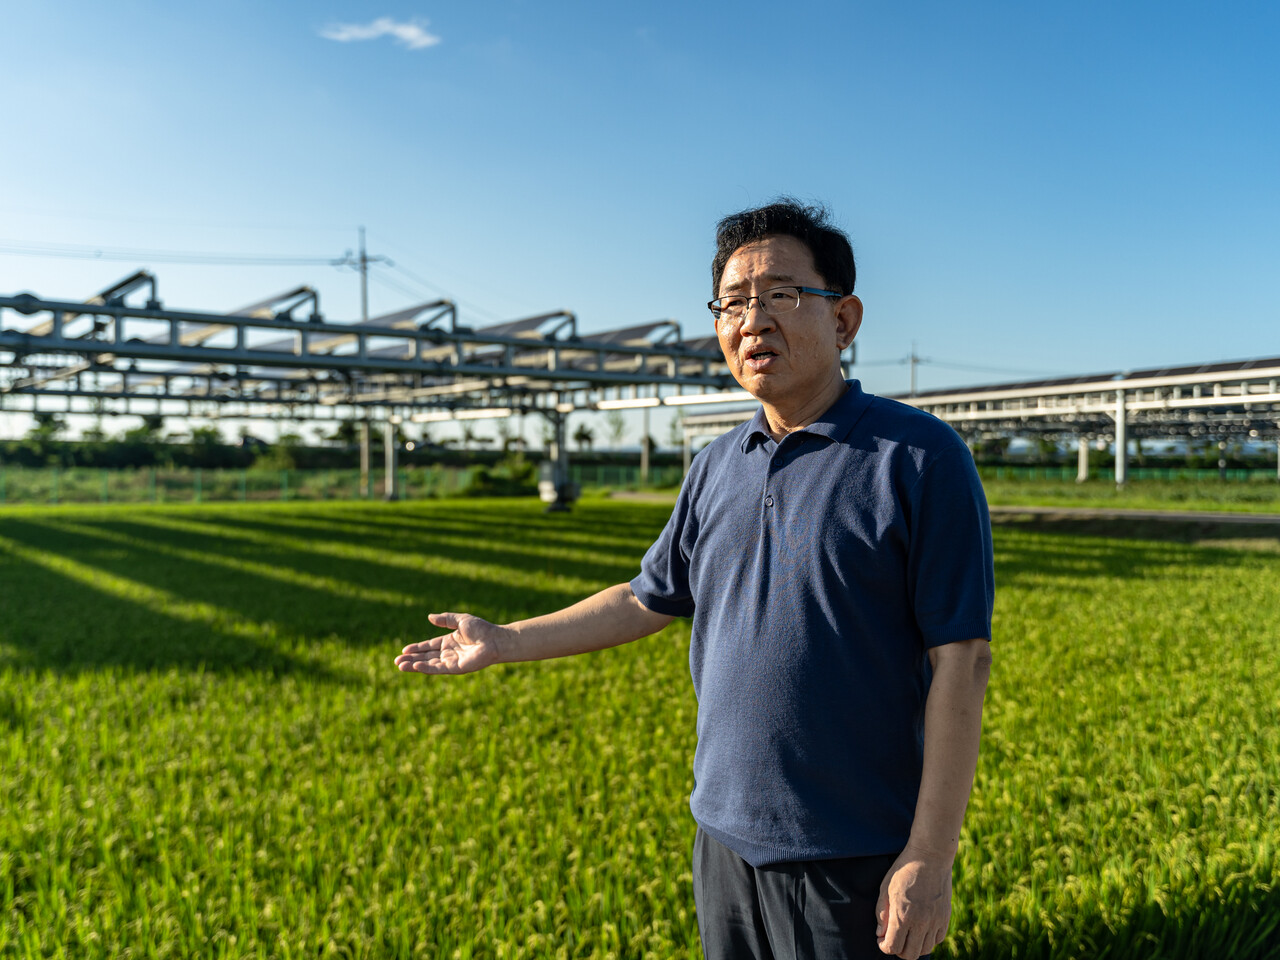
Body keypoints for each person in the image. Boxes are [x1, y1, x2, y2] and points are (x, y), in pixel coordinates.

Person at [396, 199, 994, 960]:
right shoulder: (716, 466)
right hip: (724, 842)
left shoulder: (917, 458)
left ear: (843, 320)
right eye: (732, 303)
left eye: (780, 294)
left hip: (854, 852)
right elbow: (645, 598)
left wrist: (929, 858)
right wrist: (508, 639)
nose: (752, 320)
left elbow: (961, 661)